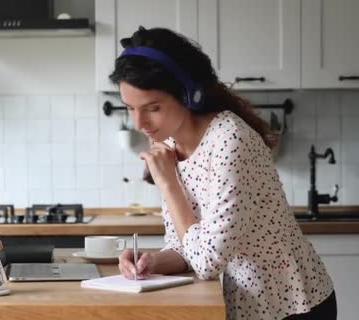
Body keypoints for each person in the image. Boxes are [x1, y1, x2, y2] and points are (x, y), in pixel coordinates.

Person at [112, 26, 337, 320]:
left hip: (293, 307)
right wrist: (152, 262)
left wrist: (168, 184)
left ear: (189, 95)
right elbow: (186, 245)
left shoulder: (230, 141)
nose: (139, 122)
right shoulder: (170, 143)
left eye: (153, 107)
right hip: (247, 306)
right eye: (130, 108)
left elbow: (206, 261)